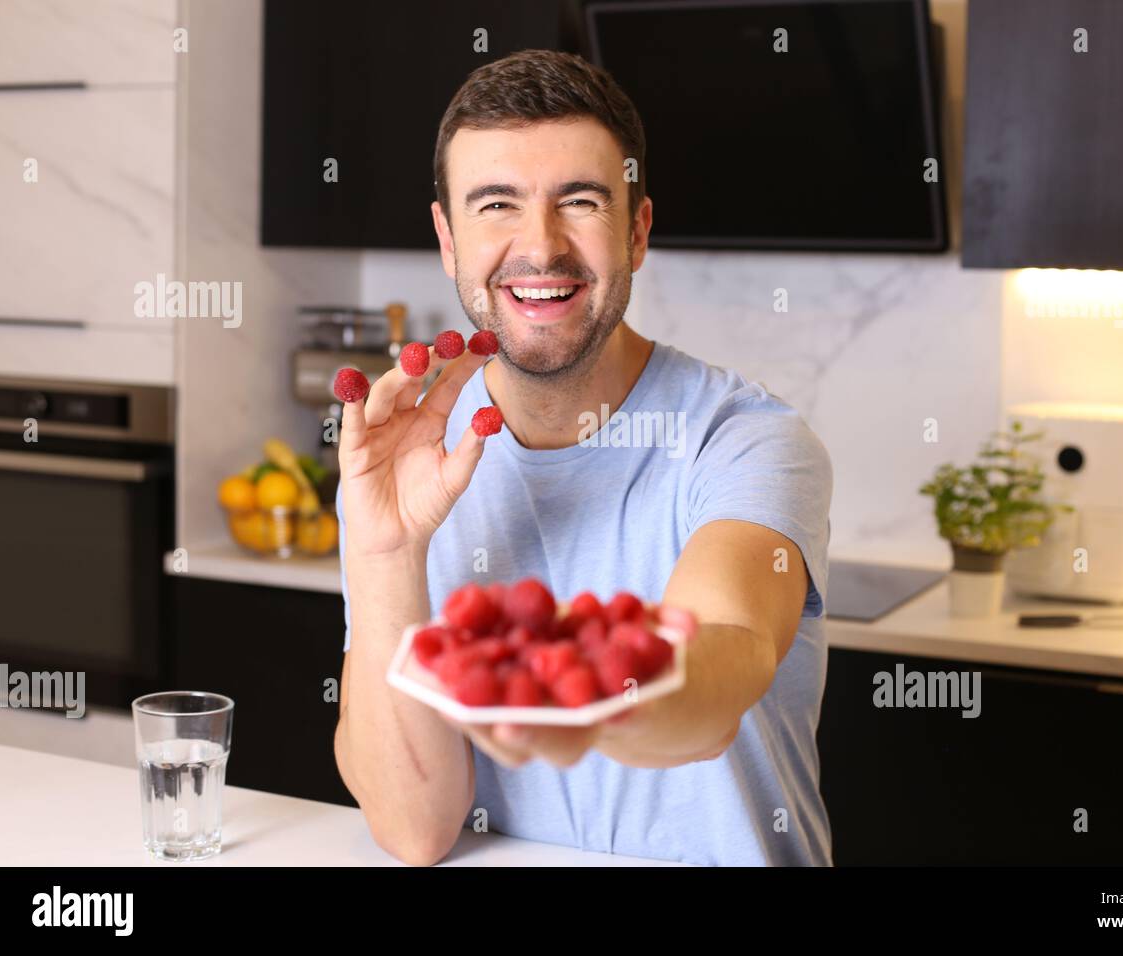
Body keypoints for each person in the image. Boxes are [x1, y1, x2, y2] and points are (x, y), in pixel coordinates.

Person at [333, 49, 833, 866]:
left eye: (580, 200)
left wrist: (576, 691)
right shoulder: (412, 457)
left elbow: (727, 658)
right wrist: (387, 550)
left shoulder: (745, 439)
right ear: (447, 240)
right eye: (497, 204)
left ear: (636, 231)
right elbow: (414, 830)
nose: (541, 245)